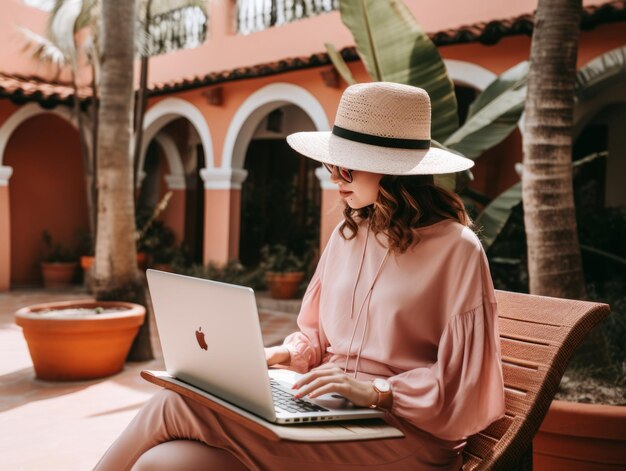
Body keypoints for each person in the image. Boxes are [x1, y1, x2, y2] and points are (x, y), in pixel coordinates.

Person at [94, 82, 505, 471]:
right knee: (162, 463)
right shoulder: (349, 235)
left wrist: (376, 391)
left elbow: (463, 386)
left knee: (178, 404)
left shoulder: (457, 250)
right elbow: (316, 339)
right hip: (332, 409)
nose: (333, 179)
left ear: (393, 170)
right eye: (332, 165)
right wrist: (282, 356)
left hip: (408, 433)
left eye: (346, 169)